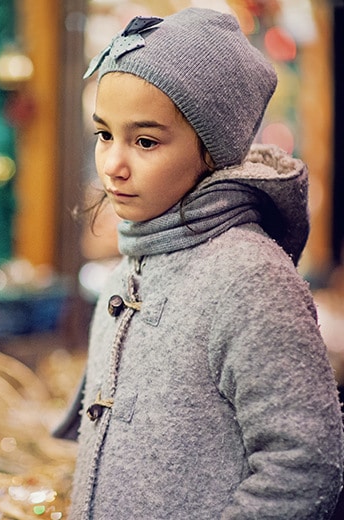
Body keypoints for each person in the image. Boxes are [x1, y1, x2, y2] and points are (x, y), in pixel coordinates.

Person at [54, 7, 344, 519]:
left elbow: (304, 465)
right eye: (104, 134)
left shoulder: (250, 279)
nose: (113, 165)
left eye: (145, 141)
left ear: (211, 150)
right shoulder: (131, 268)